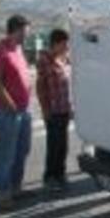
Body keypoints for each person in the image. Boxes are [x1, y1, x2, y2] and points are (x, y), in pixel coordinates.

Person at [0, 14, 33, 211]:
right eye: (26, 31)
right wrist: (10, 104)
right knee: (6, 154)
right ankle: (3, 193)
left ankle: (16, 188)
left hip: (24, 111)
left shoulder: (19, 49)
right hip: (8, 112)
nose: (28, 34)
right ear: (16, 29)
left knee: (22, 151)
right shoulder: (0, 50)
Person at [36, 28, 72, 193]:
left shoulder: (64, 59)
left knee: (63, 145)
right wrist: (45, 110)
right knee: (54, 145)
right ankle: (50, 177)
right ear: (56, 43)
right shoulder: (45, 59)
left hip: (64, 109)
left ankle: (60, 174)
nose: (67, 47)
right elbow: (40, 86)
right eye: (64, 44)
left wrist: (71, 107)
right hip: (53, 110)